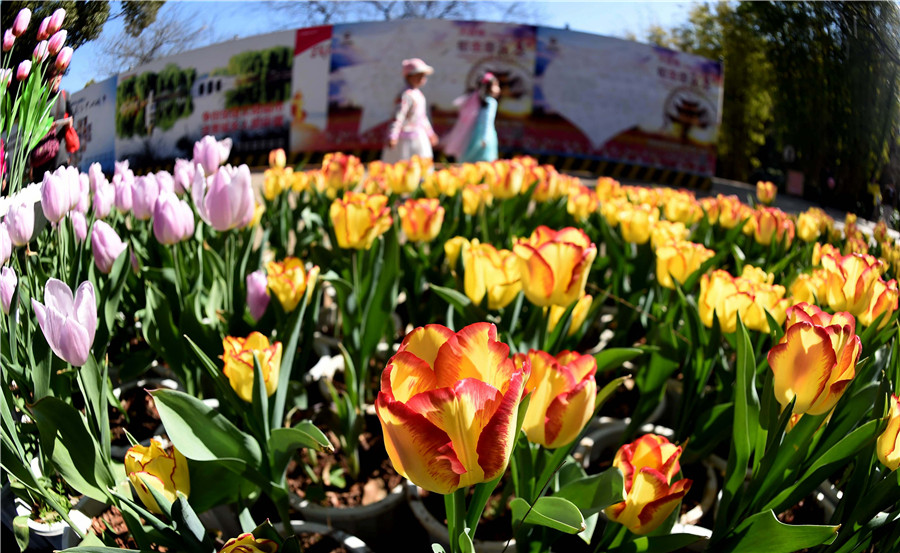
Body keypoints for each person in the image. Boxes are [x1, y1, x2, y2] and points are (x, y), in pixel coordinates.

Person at [382, 58, 438, 164]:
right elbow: (398, 117)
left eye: (423, 75)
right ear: (409, 77)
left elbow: (422, 117)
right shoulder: (405, 95)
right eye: (418, 75)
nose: (422, 78)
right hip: (405, 139)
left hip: (419, 137)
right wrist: (393, 135)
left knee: (421, 164)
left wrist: (430, 133)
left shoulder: (418, 95)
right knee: (404, 163)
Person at [443, 72, 501, 163]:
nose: (498, 89)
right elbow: (487, 121)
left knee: (470, 158)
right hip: (485, 134)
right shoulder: (490, 102)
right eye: (496, 86)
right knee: (483, 160)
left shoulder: (477, 99)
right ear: (489, 87)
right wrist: (485, 137)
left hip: (473, 133)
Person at [30, 75, 73, 181]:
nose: (55, 79)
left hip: (60, 150)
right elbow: (32, 128)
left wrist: (69, 122)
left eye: (58, 75)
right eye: (51, 76)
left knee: (63, 184)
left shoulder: (64, 95)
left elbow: (72, 116)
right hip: (43, 151)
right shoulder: (39, 99)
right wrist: (46, 128)